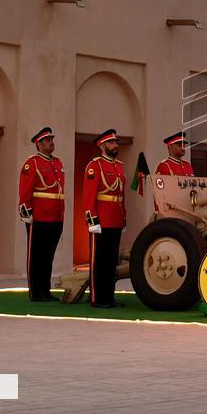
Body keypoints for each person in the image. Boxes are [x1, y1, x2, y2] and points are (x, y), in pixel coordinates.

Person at [18, 127, 66, 301]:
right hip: (38, 217)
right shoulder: (33, 163)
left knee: (48, 256)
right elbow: (25, 191)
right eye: (47, 140)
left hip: (55, 217)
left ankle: (45, 290)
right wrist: (26, 212)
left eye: (52, 139)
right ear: (39, 144)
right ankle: (36, 292)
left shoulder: (58, 163)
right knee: (36, 256)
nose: (51, 142)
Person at [83, 128, 126, 308]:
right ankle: (97, 298)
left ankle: (109, 297)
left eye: (116, 142)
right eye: (111, 142)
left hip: (115, 219)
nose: (115, 145)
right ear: (102, 145)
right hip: (101, 220)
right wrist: (92, 221)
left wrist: (124, 218)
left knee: (111, 261)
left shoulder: (119, 166)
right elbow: (89, 196)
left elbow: (122, 196)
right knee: (99, 261)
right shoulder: (95, 166)